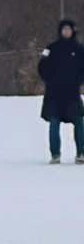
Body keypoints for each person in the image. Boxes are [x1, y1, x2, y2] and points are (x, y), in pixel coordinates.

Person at [39, 19, 84, 162]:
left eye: (69, 29)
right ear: (60, 31)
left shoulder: (79, 50)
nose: (66, 32)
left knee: (79, 121)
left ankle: (81, 154)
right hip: (54, 94)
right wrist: (51, 80)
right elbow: (42, 66)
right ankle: (55, 154)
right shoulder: (51, 48)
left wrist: (78, 82)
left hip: (72, 94)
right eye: (64, 29)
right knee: (53, 123)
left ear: (73, 31)